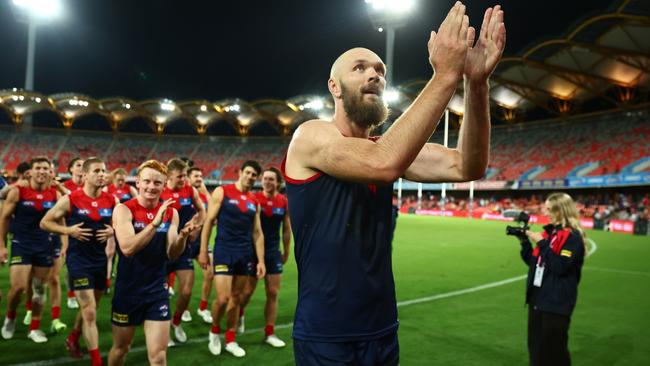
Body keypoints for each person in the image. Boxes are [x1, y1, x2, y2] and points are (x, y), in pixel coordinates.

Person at [281, 2, 505, 364]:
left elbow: (468, 166)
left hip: (382, 329)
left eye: (380, 70)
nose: (375, 75)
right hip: (327, 334)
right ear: (333, 87)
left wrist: (475, 84)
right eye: (360, 68)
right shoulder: (311, 136)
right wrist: (445, 75)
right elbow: (383, 163)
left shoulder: (386, 148)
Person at [107, 160, 199, 366]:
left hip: (157, 291)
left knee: (158, 356)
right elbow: (128, 248)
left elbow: (172, 253)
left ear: (164, 184)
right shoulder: (123, 210)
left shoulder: (171, 213)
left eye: (157, 182)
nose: (151, 186)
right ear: (138, 182)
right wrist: (154, 224)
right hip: (128, 291)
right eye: (146, 181)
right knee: (121, 350)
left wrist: (183, 237)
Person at [40, 157, 118, 365]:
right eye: (97, 171)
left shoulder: (111, 200)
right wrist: (68, 230)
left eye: (103, 170)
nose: (102, 174)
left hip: (100, 261)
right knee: (90, 311)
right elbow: (45, 222)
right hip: (78, 262)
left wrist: (114, 230)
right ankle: (96, 360)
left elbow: (123, 223)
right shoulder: (71, 199)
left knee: (89, 309)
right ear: (84, 175)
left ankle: (73, 337)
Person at [198, 160, 266, 358]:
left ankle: (230, 339)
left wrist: (260, 261)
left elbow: (257, 232)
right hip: (224, 251)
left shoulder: (254, 200)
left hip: (245, 254)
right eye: (248, 172)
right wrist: (203, 250)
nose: (250, 177)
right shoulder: (223, 192)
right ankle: (214, 331)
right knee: (223, 298)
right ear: (240, 172)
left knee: (237, 299)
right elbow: (209, 221)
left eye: (254, 175)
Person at [0, 157, 62, 343]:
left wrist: (63, 244)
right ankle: (10, 318)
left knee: (39, 289)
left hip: (45, 245)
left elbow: (61, 220)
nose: (42, 171)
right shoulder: (18, 191)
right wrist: (2, 246)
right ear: (31, 171)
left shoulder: (55, 195)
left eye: (46, 168)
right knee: (18, 287)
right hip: (21, 244)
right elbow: (4, 219)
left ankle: (34, 328)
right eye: (38, 168)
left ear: (50, 172)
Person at [520, 193, 587, 366]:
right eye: (546, 208)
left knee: (555, 352)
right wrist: (524, 243)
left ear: (561, 210)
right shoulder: (549, 233)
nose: (546, 212)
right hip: (538, 298)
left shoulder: (572, 238)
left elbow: (560, 267)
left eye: (550, 209)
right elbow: (535, 263)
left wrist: (542, 244)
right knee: (536, 349)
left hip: (556, 302)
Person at [238, 167, 291, 348]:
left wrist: (286, 250)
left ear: (278, 183)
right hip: (252, 251)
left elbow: (286, 228)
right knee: (247, 292)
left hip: (272, 252)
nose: (267, 182)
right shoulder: (254, 198)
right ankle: (239, 313)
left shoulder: (283, 201)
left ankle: (270, 333)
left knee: (273, 293)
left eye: (271, 179)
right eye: (265, 179)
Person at [160, 158, 205, 345]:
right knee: (160, 294)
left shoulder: (190, 190)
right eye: (180, 176)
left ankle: (176, 322)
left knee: (186, 291)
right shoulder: (159, 190)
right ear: (169, 175)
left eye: (185, 175)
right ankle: (162, 330)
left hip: (183, 248)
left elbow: (202, 211)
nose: (184, 179)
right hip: (160, 250)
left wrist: (196, 226)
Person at [187, 167, 214, 324]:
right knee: (187, 282)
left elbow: (212, 214)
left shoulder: (203, 196)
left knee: (210, 273)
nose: (199, 178)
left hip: (201, 242)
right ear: (189, 178)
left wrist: (206, 193)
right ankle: (183, 309)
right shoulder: (186, 194)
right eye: (196, 176)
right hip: (185, 242)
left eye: (201, 176)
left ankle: (203, 308)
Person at [102, 168, 136, 293]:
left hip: (127, 227)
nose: (121, 182)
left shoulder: (130, 189)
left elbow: (138, 202)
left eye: (123, 180)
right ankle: (107, 283)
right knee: (109, 254)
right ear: (114, 179)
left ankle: (126, 281)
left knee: (127, 254)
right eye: (119, 180)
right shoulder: (107, 190)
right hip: (112, 226)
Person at [64, 157, 85, 309]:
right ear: (71, 169)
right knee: (69, 266)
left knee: (82, 266)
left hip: (85, 231)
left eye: (84, 166)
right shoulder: (65, 186)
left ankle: (81, 292)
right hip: (67, 231)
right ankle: (70, 295)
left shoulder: (89, 187)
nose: (81, 168)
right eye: (78, 165)